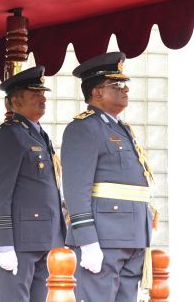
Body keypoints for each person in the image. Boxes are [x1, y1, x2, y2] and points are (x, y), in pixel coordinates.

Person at [61, 52, 156, 302]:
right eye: (116, 85)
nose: (125, 89)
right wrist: (87, 242)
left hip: (132, 236)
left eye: (124, 84)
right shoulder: (84, 128)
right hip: (103, 237)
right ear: (97, 92)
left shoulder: (122, 129)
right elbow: (75, 190)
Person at [0, 66, 66, 302]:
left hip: (46, 236)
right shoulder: (9, 135)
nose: (43, 99)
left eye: (43, 94)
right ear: (15, 101)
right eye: (35, 94)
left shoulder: (39, 134)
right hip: (20, 240)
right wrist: (4, 245)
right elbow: (0, 194)